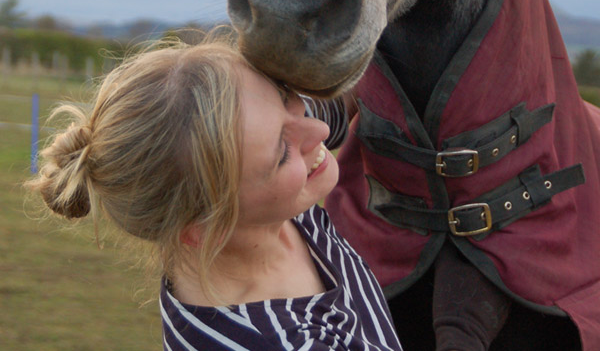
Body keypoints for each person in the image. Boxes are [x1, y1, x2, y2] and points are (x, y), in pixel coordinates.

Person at [26, 32, 403, 351]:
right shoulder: (281, 340)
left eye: (286, 98)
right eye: (281, 152)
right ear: (205, 226)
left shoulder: (242, 208)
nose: (317, 132)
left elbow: (334, 105)